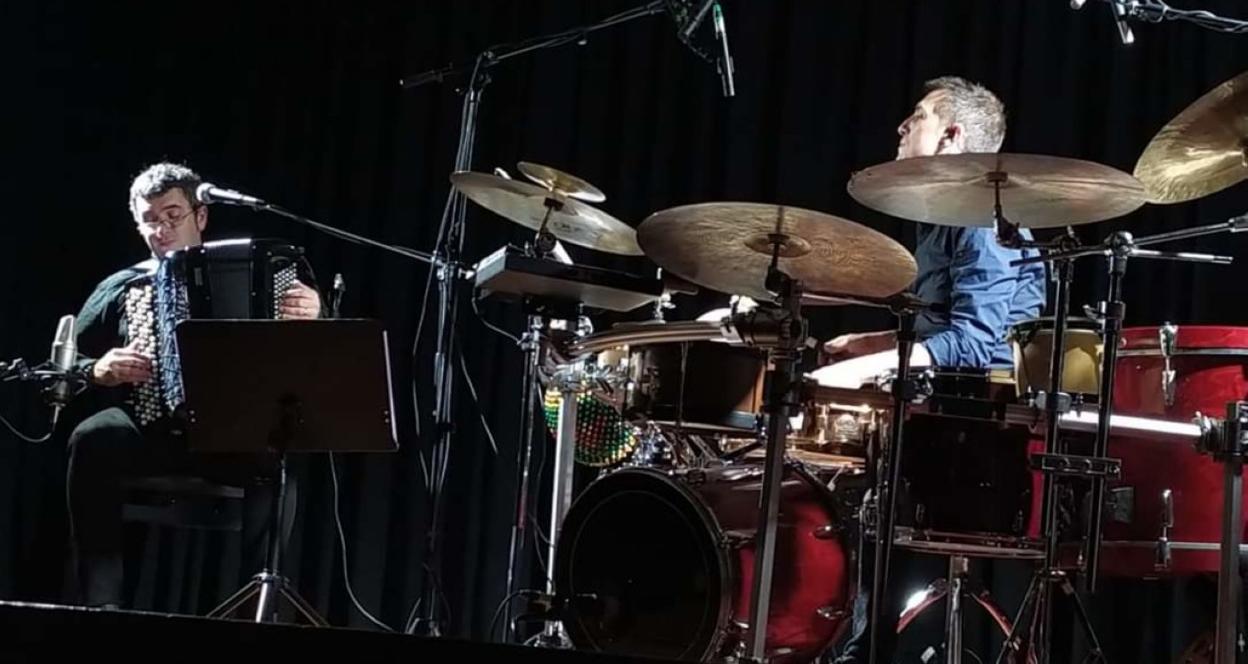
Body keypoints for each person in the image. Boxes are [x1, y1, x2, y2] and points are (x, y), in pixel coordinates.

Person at [818, 77, 1048, 663]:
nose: (902, 126)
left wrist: (870, 367)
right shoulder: (942, 216)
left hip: (984, 431)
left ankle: (858, 649)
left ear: (952, 136)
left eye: (917, 116)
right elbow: (938, 325)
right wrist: (869, 344)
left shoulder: (981, 219)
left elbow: (974, 342)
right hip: (945, 408)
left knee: (857, 495)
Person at [65, 162, 322, 609]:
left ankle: (257, 614)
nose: (161, 229)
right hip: (151, 426)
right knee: (91, 439)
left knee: (276, 458)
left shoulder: (260, 271)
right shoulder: (125, 285)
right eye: (150, 220)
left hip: (230, 433)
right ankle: (100, 605)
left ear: (200, 216)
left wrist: (317, 311)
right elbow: (66, 363)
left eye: (172, 216)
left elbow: (315, 358)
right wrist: (97, 369)